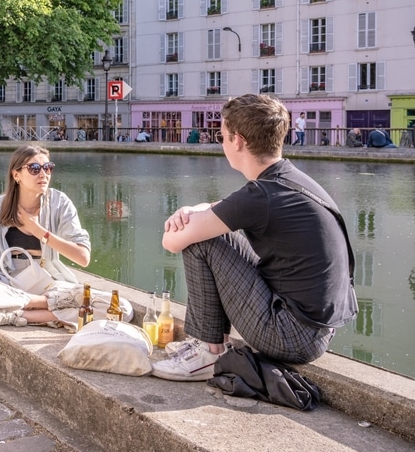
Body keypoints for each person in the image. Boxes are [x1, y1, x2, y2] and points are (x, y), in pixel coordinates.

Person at [152, 94, 356, 382]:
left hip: (291, 336)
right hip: (316, 330)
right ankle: (210, 342)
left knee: (201, 240)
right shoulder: (288, 180)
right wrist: (190, 210)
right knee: (217, 233)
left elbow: (172, 242)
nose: (221, 143)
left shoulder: (260, 195)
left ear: (238, 140)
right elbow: (219, 208)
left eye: (221, 136)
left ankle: (206, 353)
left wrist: (185, 221)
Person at [0, 145, 92, 330]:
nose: (43, 174)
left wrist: (38, 230)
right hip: (4, 279)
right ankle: (42, 306)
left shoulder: (60, 203)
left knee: (120, 308)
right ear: (16, 175)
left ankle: (18, 314)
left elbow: (83, 257)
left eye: (48, 168)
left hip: (46, 279)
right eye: (34, 168)